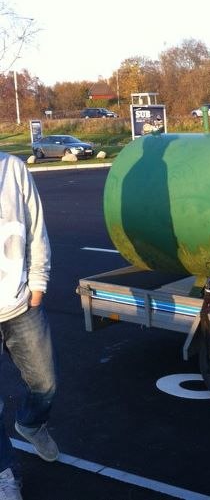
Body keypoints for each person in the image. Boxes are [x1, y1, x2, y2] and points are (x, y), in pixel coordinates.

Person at [0, 152, 58, 499]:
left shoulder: (13, 169)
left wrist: (38, 285)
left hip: (21, 304)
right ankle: (5, 473)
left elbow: (36, 228)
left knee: (45, 384)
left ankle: (31, 423)